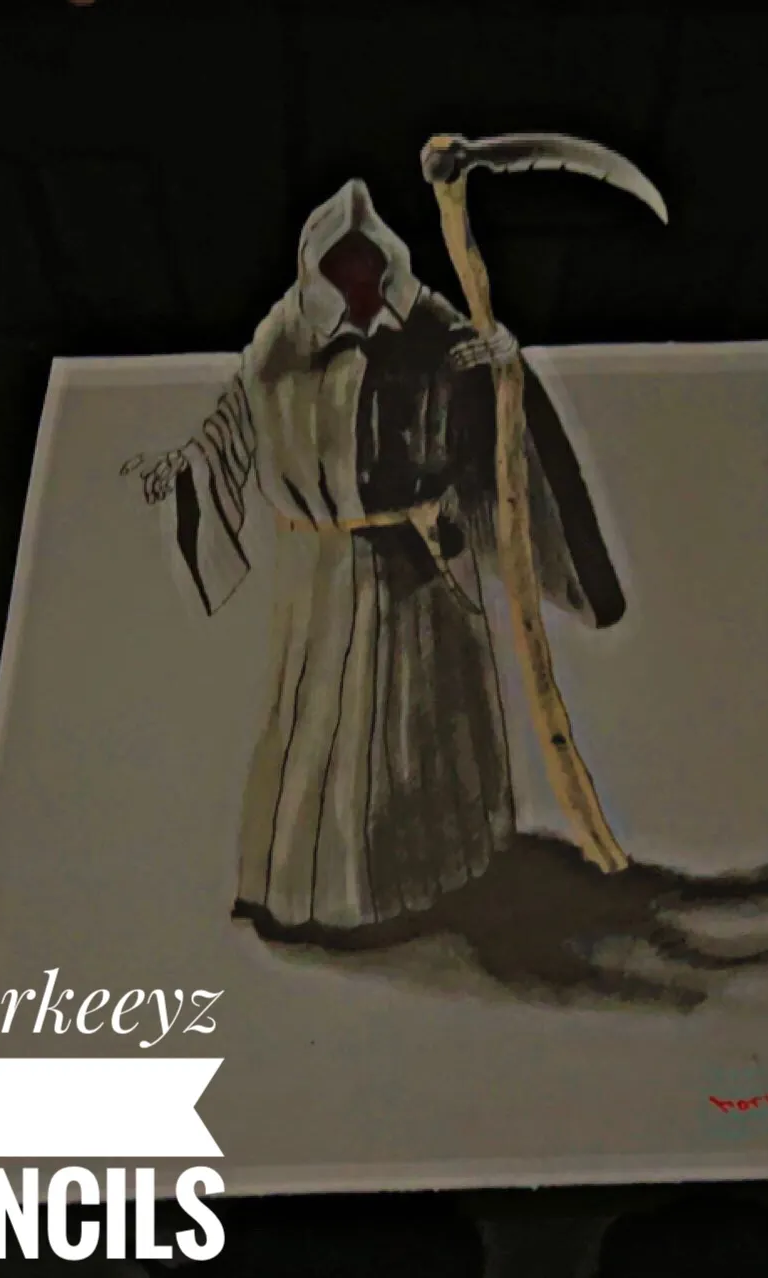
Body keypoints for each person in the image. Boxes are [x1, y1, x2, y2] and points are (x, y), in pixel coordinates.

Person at [123, 177, 627, 938]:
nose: (357, 281)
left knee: (425, 723)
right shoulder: (281, 343)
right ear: (320, 270)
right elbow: (233, 422)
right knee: (327, 725)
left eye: (368, 266)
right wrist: (182, 469)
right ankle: (318, 888)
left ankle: (442, 868)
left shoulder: (437, 327)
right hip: (324, 579)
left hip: (427, 571)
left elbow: (493, 427)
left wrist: (504, 368)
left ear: (387, 265)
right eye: (342, 268)